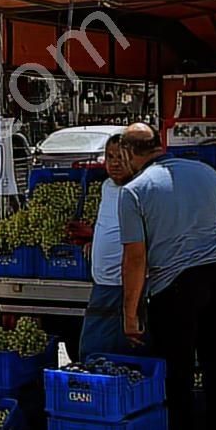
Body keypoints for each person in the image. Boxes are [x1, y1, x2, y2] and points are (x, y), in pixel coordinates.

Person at [117, 123, 216, 430]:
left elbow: (136, 259)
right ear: (160, 145)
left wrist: (130, 314)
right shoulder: (207, 173)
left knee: (179, 373)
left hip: (176, 287)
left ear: (128, 153)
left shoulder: (135, 192)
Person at [77, 135, 139, 359]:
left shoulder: (139, 189)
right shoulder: (107, 186)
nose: (114, 163)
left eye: (121, 157)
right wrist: (94, 242)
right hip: (103, 282)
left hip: (122, 285)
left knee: (101, 350)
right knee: (94, 350)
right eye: (110, 156)